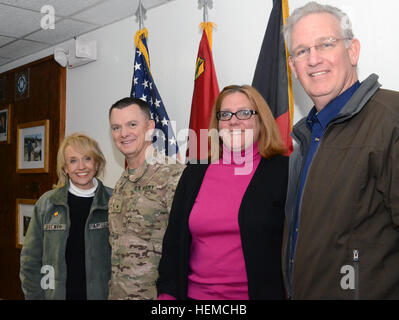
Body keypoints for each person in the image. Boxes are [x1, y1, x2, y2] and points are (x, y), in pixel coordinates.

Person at [283, 2, 399, 299]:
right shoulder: (306, 135)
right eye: (301, 51)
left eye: (325, 44)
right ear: (293, 66)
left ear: (353, 50)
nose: (313, 59)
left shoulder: (391, 118)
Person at [157, 85, 289, 300]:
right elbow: (173, 244)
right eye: (225, 114)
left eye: (245, 113)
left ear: (261, 119)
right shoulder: (195, 172)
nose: (234, 121)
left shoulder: (284, 172)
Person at [108, 97, 185, 300]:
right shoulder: (123, 181)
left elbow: (185, 246)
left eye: (132, 124)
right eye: (116, 127)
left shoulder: (173, 175)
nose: (123, 133)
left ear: (150, 127)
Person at [20, 133, 113, 300]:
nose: (81, 167)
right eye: (73, 160)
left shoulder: (114, 202)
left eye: (87, 158)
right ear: (65, 168)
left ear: (97, 163)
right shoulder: (47, 204)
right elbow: (30, 261)